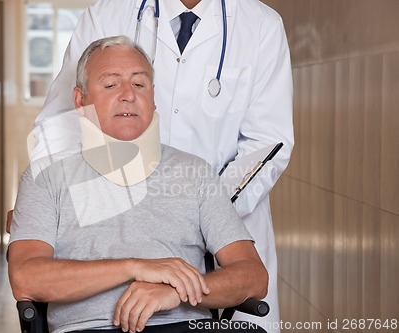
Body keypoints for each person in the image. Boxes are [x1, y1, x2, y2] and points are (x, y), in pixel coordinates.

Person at [23, 1, 294, 332]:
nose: (127, 95)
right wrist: (48, 207)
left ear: (153, 96)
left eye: (139, 83)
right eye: (111, 84)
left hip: (214, 222)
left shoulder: (260, 24)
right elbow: (62, 117)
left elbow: (267, 142)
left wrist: (197, 208)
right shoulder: (105, 13)